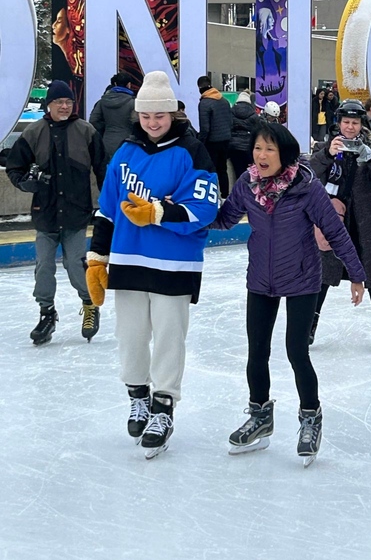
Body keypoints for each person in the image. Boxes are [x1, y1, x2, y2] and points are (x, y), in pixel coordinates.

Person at [211, 119, 365, 462]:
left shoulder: (305, 188)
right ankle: (260, 417)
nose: (261, 155)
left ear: (285, 154)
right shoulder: (247, 185)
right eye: (257, 148)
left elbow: (335, 232)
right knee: (257, 352)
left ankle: (310, 416)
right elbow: (223, 219)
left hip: (301, 278)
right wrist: (188, 212)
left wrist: (356, 274)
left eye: (269, 149)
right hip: (261, 280)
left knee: (296, 350)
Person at [85, 71, 218, 458]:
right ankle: (138, 396)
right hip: (127, 261)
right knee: (129, 338)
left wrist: (158, 212)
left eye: (159, 115)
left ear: (173, 113)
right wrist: (97, 258)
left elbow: (205, 207)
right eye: (146, 116)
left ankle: (163, 407)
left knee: (168, 339)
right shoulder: (124, 152)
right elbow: (107, 210)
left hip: (174, 266)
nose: (153, 122)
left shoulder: (193, 151)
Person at [7, 80, 105, 345]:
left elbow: (103, 167)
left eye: (69, 102)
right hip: (45, 213)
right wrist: (26, 182)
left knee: (76, 263)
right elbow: (15, 167)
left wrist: (108, 201)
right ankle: (46, 313)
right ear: (49, 104)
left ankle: (89, 305)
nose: (64, 106)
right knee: (44, 267)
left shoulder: (86, 131)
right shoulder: (34, 132)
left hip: (75, 213)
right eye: (59, 102)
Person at [309, 99, 371, 347]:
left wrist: (369, 157)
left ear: (361, 124)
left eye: (354, 122)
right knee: (323, 272)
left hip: (365, 220)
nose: (350, 127)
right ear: (339, 123)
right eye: (346, 122)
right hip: (333, 219)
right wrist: (327, 154)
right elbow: (310, 172)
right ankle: (309, 324)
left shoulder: (370, 146)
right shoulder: (329, 145)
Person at [197, 75, 233, 197]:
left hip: (212, 143)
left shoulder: (205, 103)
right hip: (226, 140)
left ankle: (211, 196)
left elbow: (205, 128)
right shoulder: (224, 101)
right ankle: (225, 195)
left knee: (209, 170)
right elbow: (230, 121)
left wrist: (200, 143)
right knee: (223, 169)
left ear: (200, 87)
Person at [89, 72, 135, 161]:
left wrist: (106, 127)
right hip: (128, 142)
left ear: (115, 84)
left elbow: (93, 120)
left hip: (107, 142)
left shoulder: (102, 101)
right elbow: (138, 122)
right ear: (129, 85)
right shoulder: (133, 102)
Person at [229, 89, 259, 179]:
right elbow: (257, 130)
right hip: (248, 146)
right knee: (250, 172)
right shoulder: (253, 114)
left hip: (234, 146)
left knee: (238, 171)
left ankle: (239, 189)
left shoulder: (231, 112)